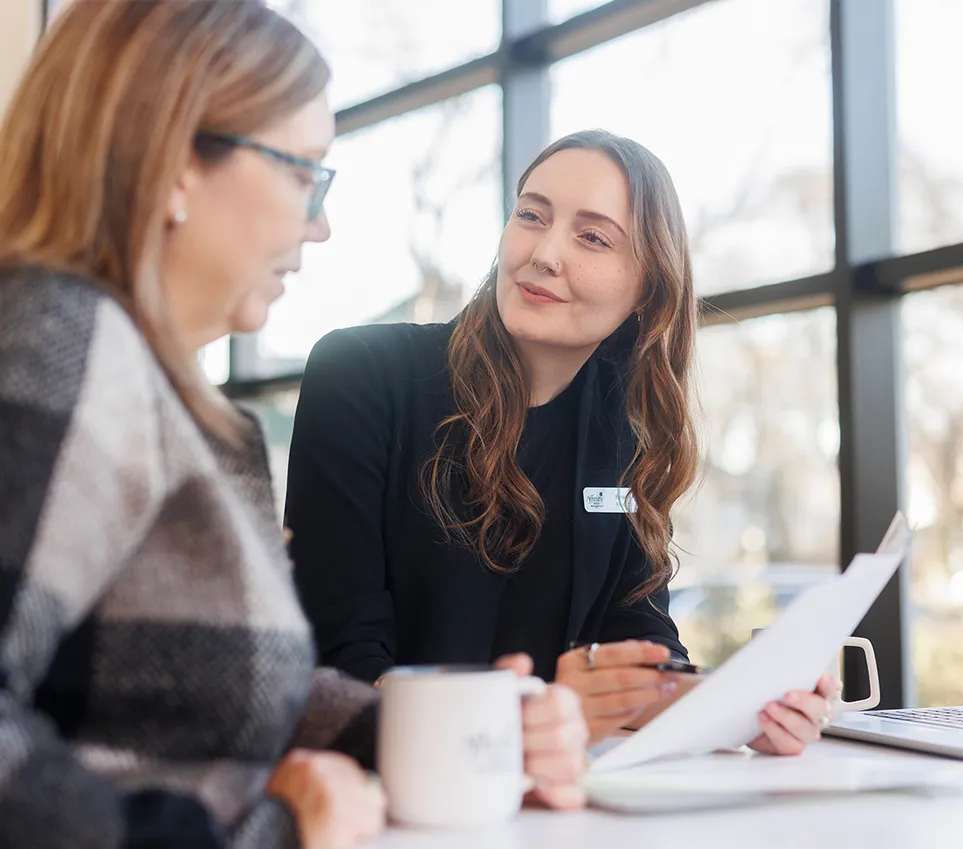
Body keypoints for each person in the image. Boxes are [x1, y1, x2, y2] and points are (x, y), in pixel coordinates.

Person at [0, 4, 587, 849]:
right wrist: (274, 833)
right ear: (174, 161)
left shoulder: (193, 414)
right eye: (301, 172)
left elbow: (218, 690)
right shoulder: (58, 344)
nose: (320, 223)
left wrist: (443, 733)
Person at [285, 128, 840, 750]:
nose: (544, 253)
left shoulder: (621, 432)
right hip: (387, 789)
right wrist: (518, 720)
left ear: (646, 292)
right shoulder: (360, 374)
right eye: (530, 215)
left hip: (542, 796)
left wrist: (745, 708)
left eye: (593, 237)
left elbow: (639, 638)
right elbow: (340, 662)